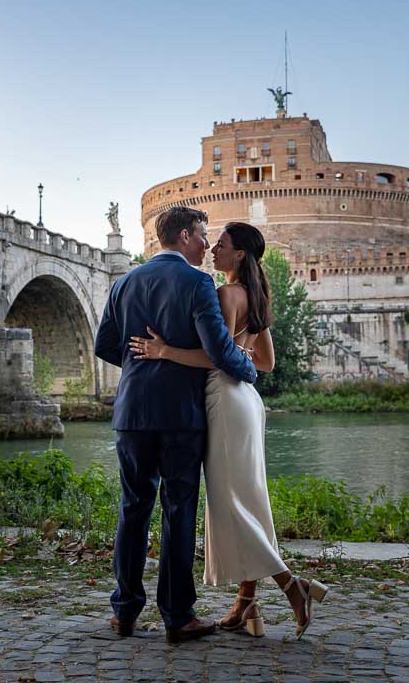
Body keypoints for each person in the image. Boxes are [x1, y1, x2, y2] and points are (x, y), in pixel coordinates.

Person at [128, 222, 327, 639]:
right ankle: (245, 605)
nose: (213, 249)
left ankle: (294, 587)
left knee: (231, 503)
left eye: (221, 245)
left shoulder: (222, 294)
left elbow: (214, 356)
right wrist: (240, 350)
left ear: (239, 255)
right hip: (249, 403)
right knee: (250, 499)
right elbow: (266, 364)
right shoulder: (257, 298)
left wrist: (164, 350)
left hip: (222, 398)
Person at [93, 207, 257, 644]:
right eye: (203, 236)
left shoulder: (123, 282)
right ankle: (178, 617)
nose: (207, 246)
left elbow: (104, 344)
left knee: (133, 509)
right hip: (180, 415)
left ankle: (124, 612)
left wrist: (136, 364)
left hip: (131, 413)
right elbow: (220, 350)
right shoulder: (197, 282)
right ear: (184, 236)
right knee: (178, 510)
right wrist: (251, 369)